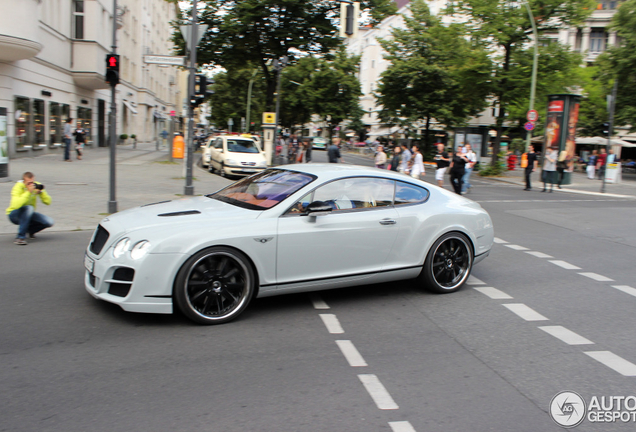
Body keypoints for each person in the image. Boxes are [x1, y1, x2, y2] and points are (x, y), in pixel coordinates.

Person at [6, 172, 54, 245]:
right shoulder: (18, 187)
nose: (31, 185)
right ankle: (20, 238)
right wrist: (28, 192)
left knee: (49, 222)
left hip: (29, 213)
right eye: (29, 183)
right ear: (24, 182)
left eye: (32, 182)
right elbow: (15, 205)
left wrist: (41, 192)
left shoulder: (36, 185)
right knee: (29, 208)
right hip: (14, 214)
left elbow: (48, 202)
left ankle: (30, 230)